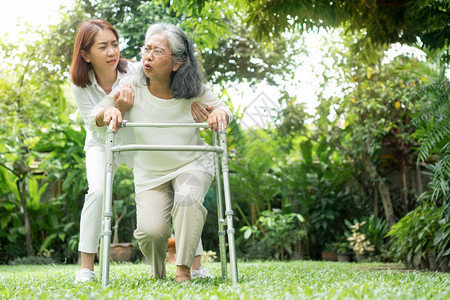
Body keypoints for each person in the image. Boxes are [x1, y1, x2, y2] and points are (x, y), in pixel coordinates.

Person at [69, 20, 211, 284]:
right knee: (98, 191)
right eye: (103, 47)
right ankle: (86, 267)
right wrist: (116, 111)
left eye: (114, 44)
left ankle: (195, 263)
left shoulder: (137, 68)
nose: (112, 52)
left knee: (185, 191)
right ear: (86, 55)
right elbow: (95, 122)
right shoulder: (80, 83)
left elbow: (171, 82)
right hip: (103, 142)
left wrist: (194, 107)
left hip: (139, 139)